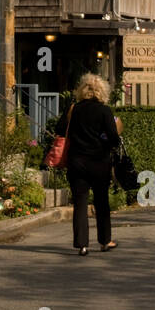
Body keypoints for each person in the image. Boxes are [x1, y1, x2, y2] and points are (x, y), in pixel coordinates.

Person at [58, 73, 124, 256]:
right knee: (101, 201)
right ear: (102, 91)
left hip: (77, 162)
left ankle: (82, 245)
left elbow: (60, 130)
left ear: (81, 90)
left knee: (80, 202)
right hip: (99, 162)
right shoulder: (104, 111)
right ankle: (104, 241)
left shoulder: (73, 109)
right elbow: (113, 138)